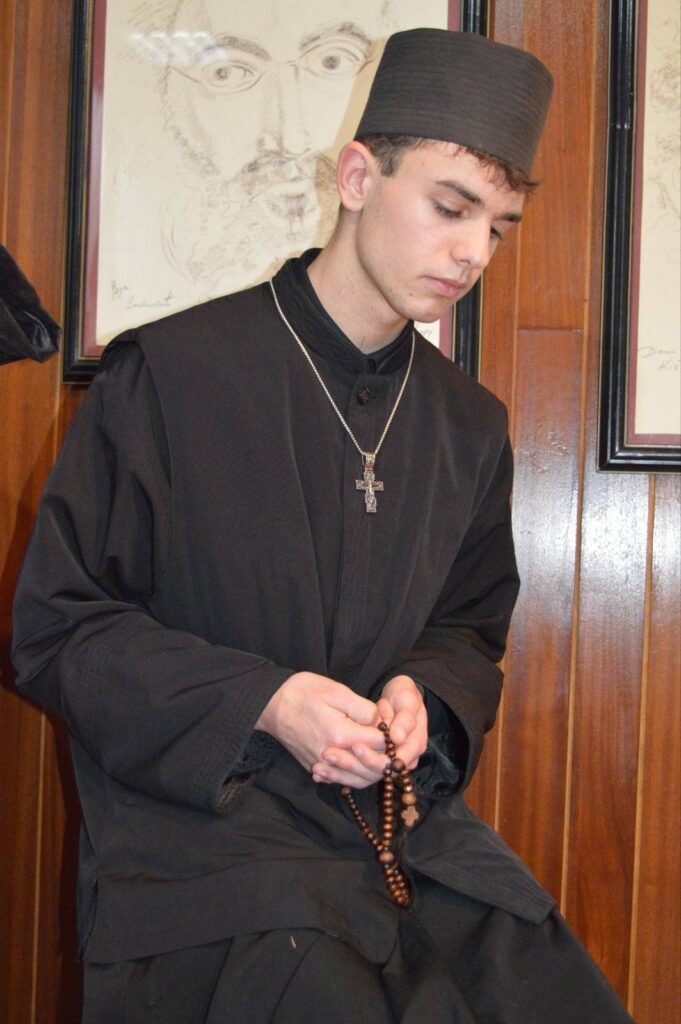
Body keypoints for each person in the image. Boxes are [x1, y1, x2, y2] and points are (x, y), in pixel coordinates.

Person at [13, 28, 634, 1024]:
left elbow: (467, 628)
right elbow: (58, 629)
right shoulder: (170, 375)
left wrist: (424, 694)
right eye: (450, 208)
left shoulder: (469, 425)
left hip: (397, 834)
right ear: (355, 178)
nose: (473, 253)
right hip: (203, 848)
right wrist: (266, 700)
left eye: (499, 227)